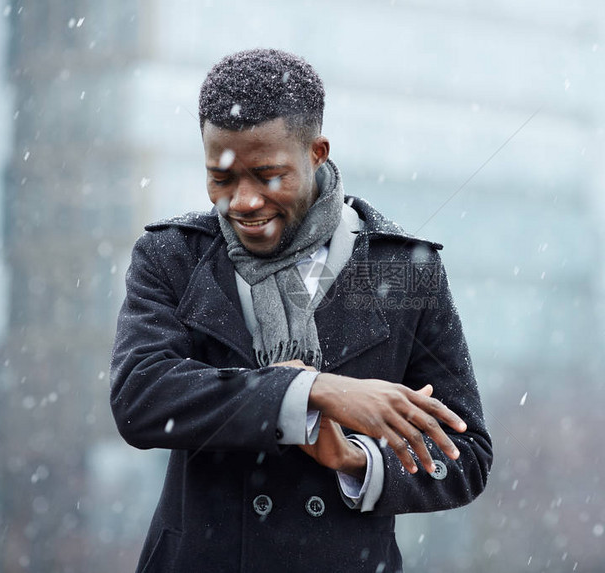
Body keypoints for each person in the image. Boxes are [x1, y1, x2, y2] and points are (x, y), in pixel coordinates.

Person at [110, 48, 492, 573]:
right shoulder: (175, 256)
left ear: (317, 152)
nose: (242, 202)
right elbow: (142, 397)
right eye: (222, 178)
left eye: (266, 176)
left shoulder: (401, 270)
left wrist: (359, 461)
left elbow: (465, 456)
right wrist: (311, 391)